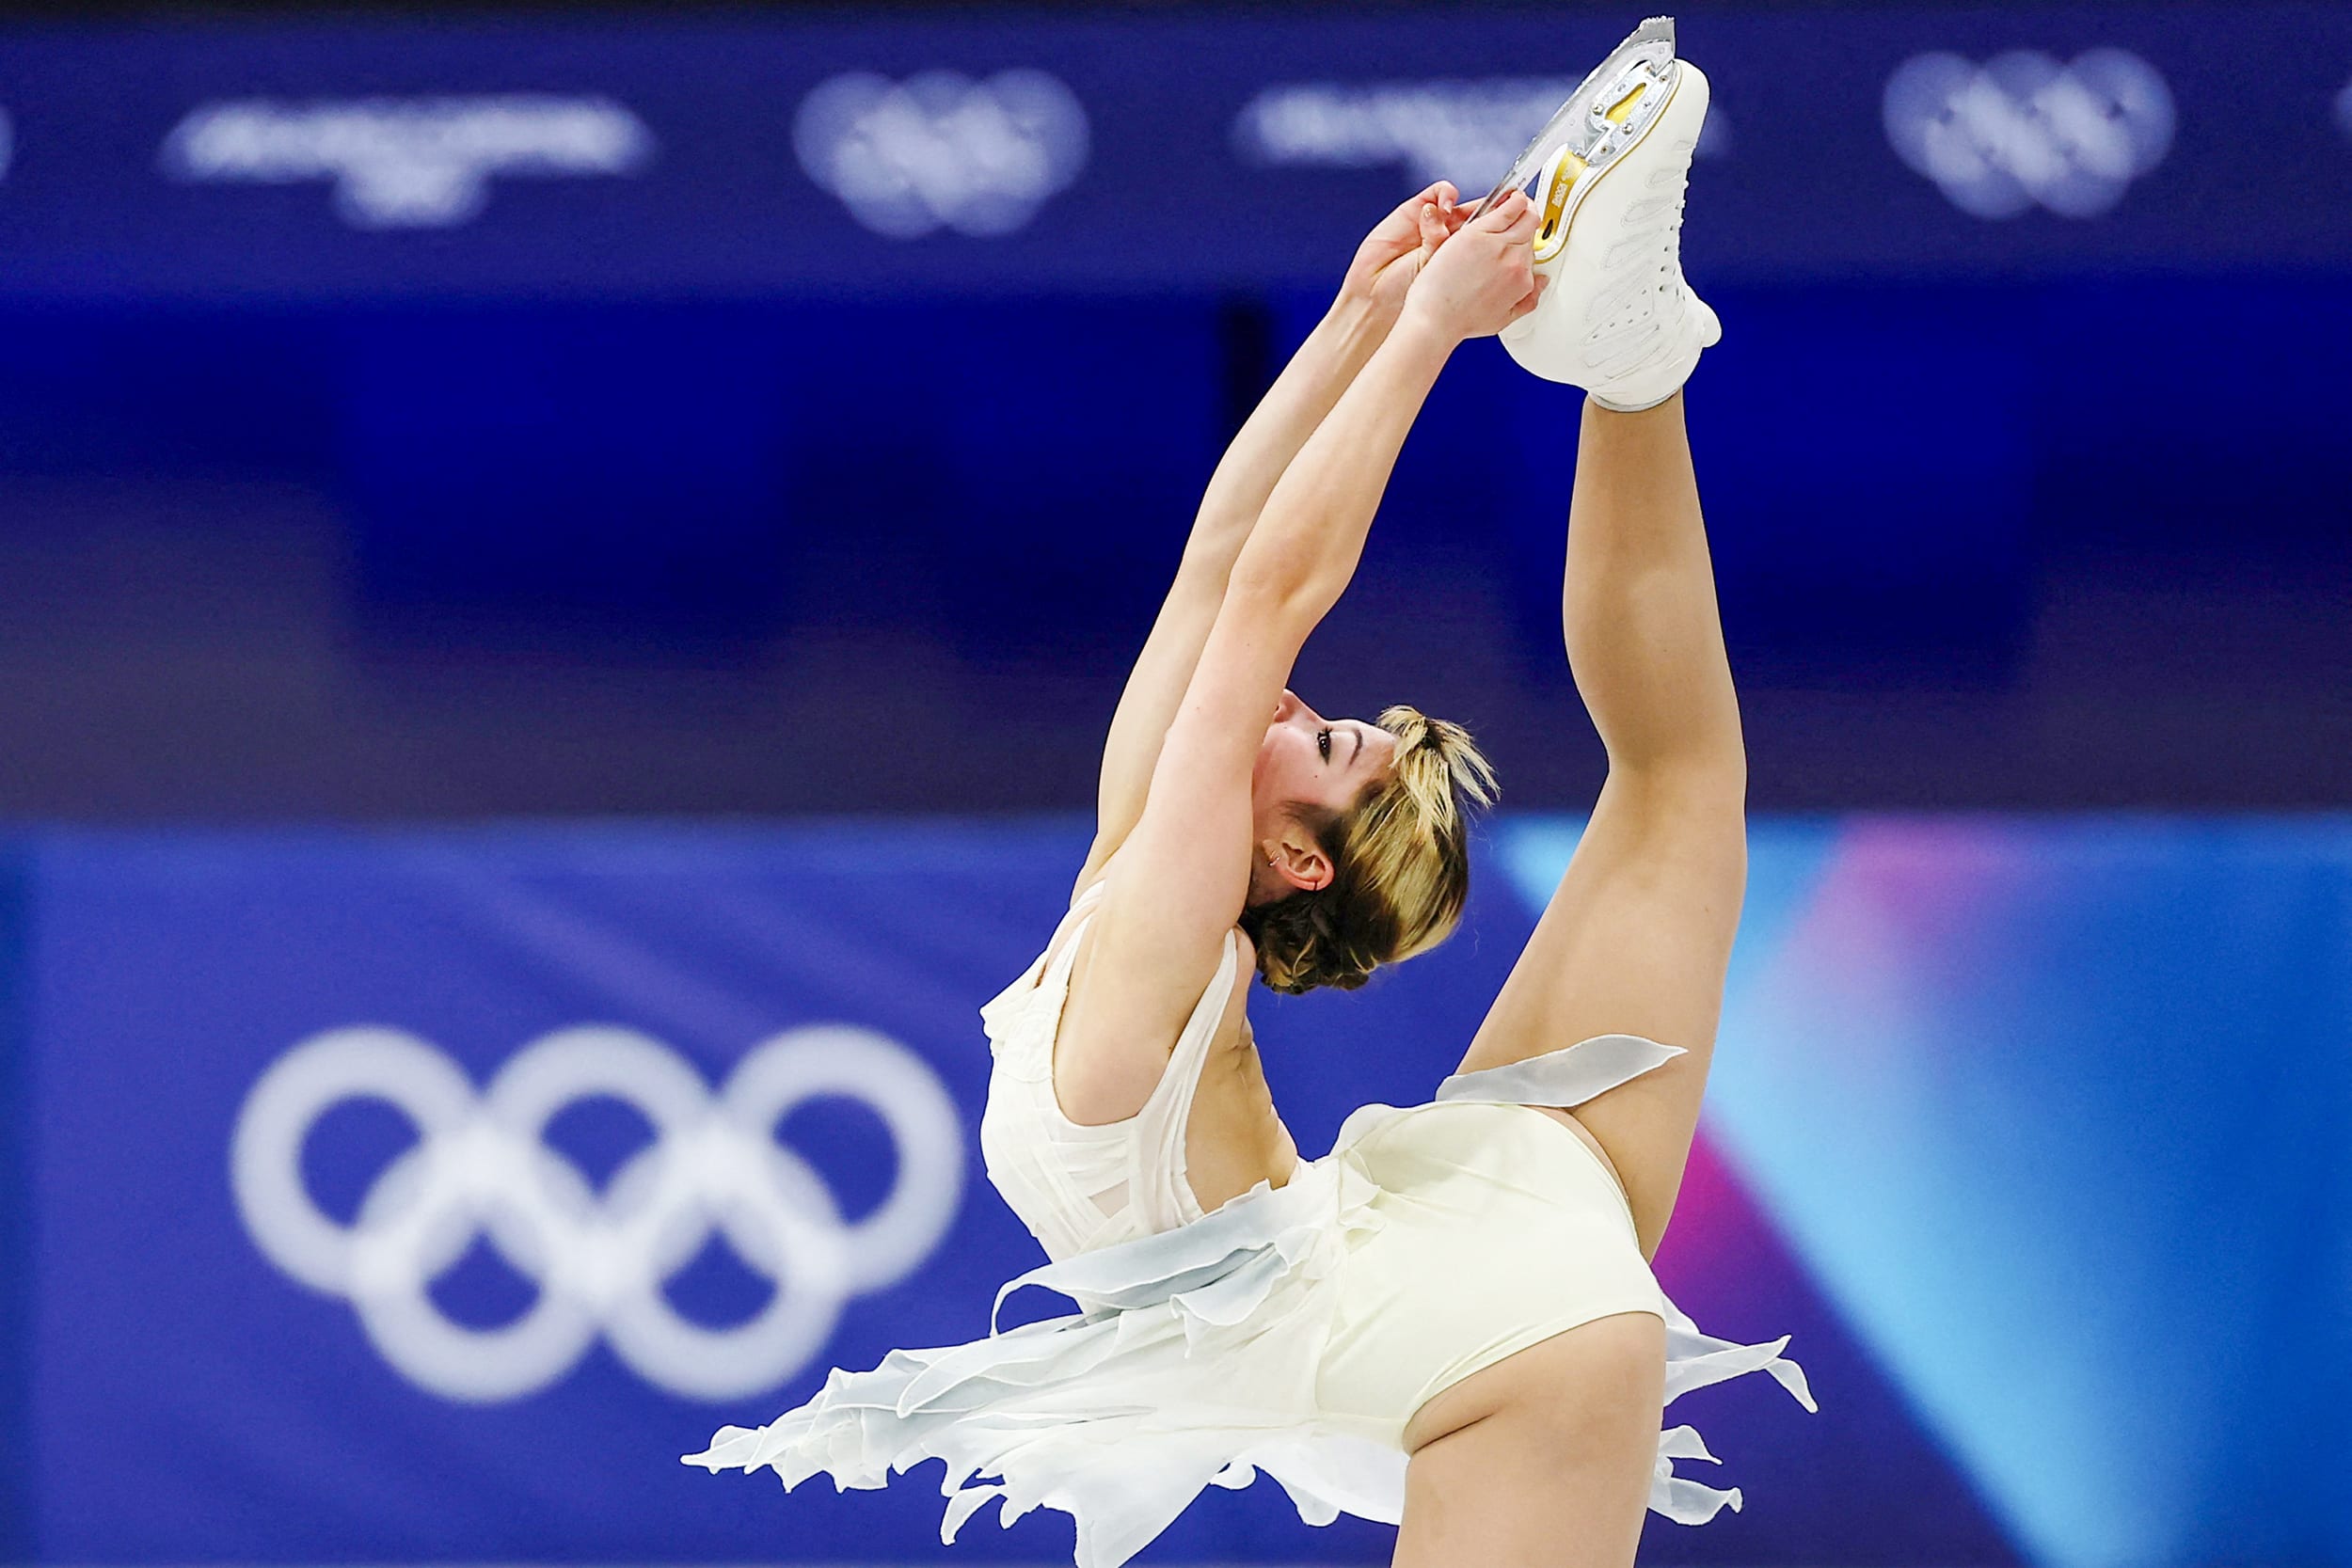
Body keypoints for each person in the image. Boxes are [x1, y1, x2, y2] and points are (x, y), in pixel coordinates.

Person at [688, 21, 1813, 1568]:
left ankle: (1626, 367)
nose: (1289, 705)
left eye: (1322, 732)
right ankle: (1631, 372)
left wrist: (1400, 323)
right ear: (1289, 855)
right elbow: (1244, 578)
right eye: (1337, 738)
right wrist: (1379, 319)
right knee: (1686, 782)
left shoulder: (1143, 909)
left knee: (1679, 786)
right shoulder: (1146, 911)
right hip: (1446, 1296)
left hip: (1465, 1309)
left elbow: (1250, 581)